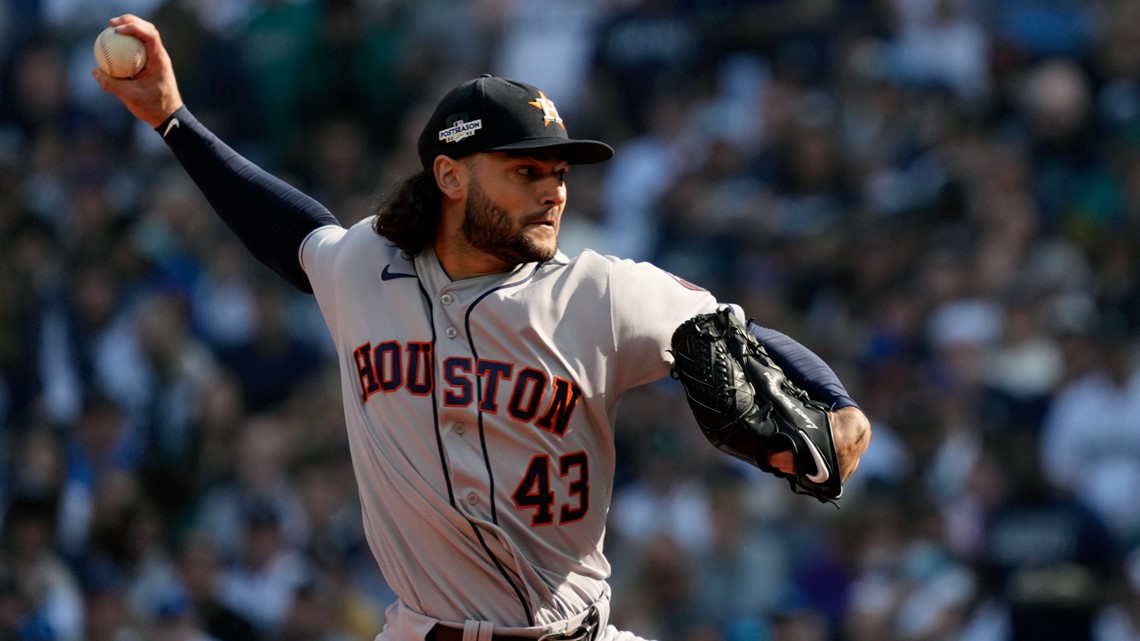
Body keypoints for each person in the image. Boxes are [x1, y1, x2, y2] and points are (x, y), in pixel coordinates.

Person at [94, 14, 871, 641]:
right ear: (451, 175)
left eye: (559, 173)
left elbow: (739, 336)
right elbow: (290, 234)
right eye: (526, 171)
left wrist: (838, 408)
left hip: (576, 630)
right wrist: (172, 120)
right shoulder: (367, 268)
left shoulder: (600, 293)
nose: (552, 192)